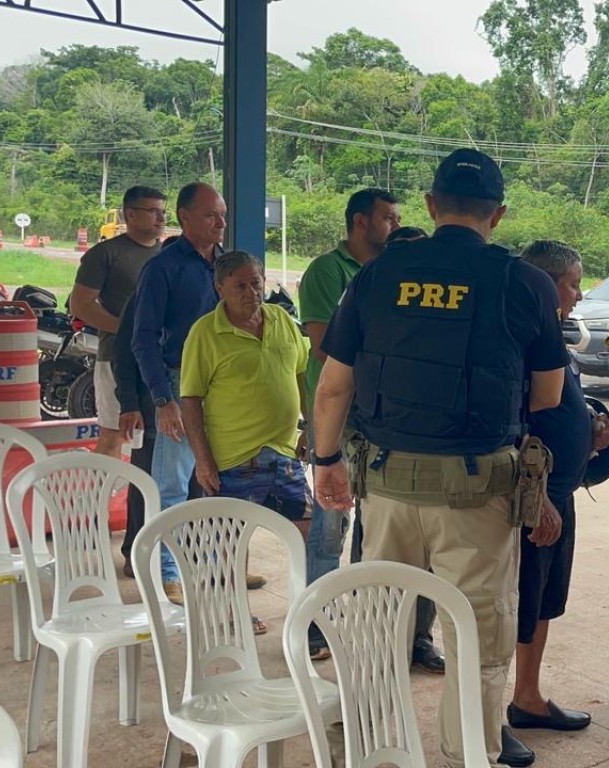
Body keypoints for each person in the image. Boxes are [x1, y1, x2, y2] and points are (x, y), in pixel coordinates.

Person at [310, 148, 567, 768]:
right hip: (477, 495)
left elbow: (333, 385)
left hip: (388, 487)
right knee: (476, 641)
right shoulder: (524, 282)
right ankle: (466, 757)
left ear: (430, 206)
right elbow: (549, 393)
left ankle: (376, 753)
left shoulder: (374, 276)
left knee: (380, 628)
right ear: (498, 215)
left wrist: (325, 461)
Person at [298, 189, 443, 669]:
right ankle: (320, 623)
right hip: (342, 424)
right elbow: (326, 349)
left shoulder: (393, 281)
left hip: (388, 425)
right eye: (387, 217)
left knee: (389, 539)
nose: (393, 223)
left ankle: (411, 637)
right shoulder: (330, 273)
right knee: (332, 526)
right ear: (361, 222)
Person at [506, 241, 609, 746]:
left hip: (561, 493)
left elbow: (559, 409)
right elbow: (518, 424)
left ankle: (528, 697)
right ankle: (487, 715)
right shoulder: (522, 338)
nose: (579, 292)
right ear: (547, 285)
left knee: (546, 602)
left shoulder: (553, 336)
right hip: (534, 500)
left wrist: (590, 429)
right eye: (573, 282)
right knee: (516, 606)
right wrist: (538, 498)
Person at [178, 251, 310, 636]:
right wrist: (202, 460)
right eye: (240, 286)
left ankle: (312, 613)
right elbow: (190, 400)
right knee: (229, 545)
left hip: (284, 456)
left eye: (256, 282)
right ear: (219, 288)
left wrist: (310, 426)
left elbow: (301, 372)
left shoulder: (282, 320)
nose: (252, 292)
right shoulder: (205, 332)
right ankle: (231, 614)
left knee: (310, 533)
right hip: (234, 459)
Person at [131, 183, 234, 603]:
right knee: (172, 483)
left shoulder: (228, 265)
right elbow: (142, 339)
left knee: (218, 480)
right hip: (178, 381)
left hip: (225, 385)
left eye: (222, 214)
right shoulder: (164, 268)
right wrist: (163, 400)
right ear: (185, 217)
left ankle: (213, 566)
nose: (220, 222)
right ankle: (167, 572)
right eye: (211, 215)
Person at [70, 186, 166, 458]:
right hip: (116, 356)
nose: (160, 218)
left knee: (156, 437)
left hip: (159, 362)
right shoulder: (106, 253)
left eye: (163, 212)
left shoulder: (166, 257)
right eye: (153, 211)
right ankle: (99, 498)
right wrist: (131, 333)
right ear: (131, 215)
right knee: (115, 433)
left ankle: (143, 498)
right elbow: (81, 305)